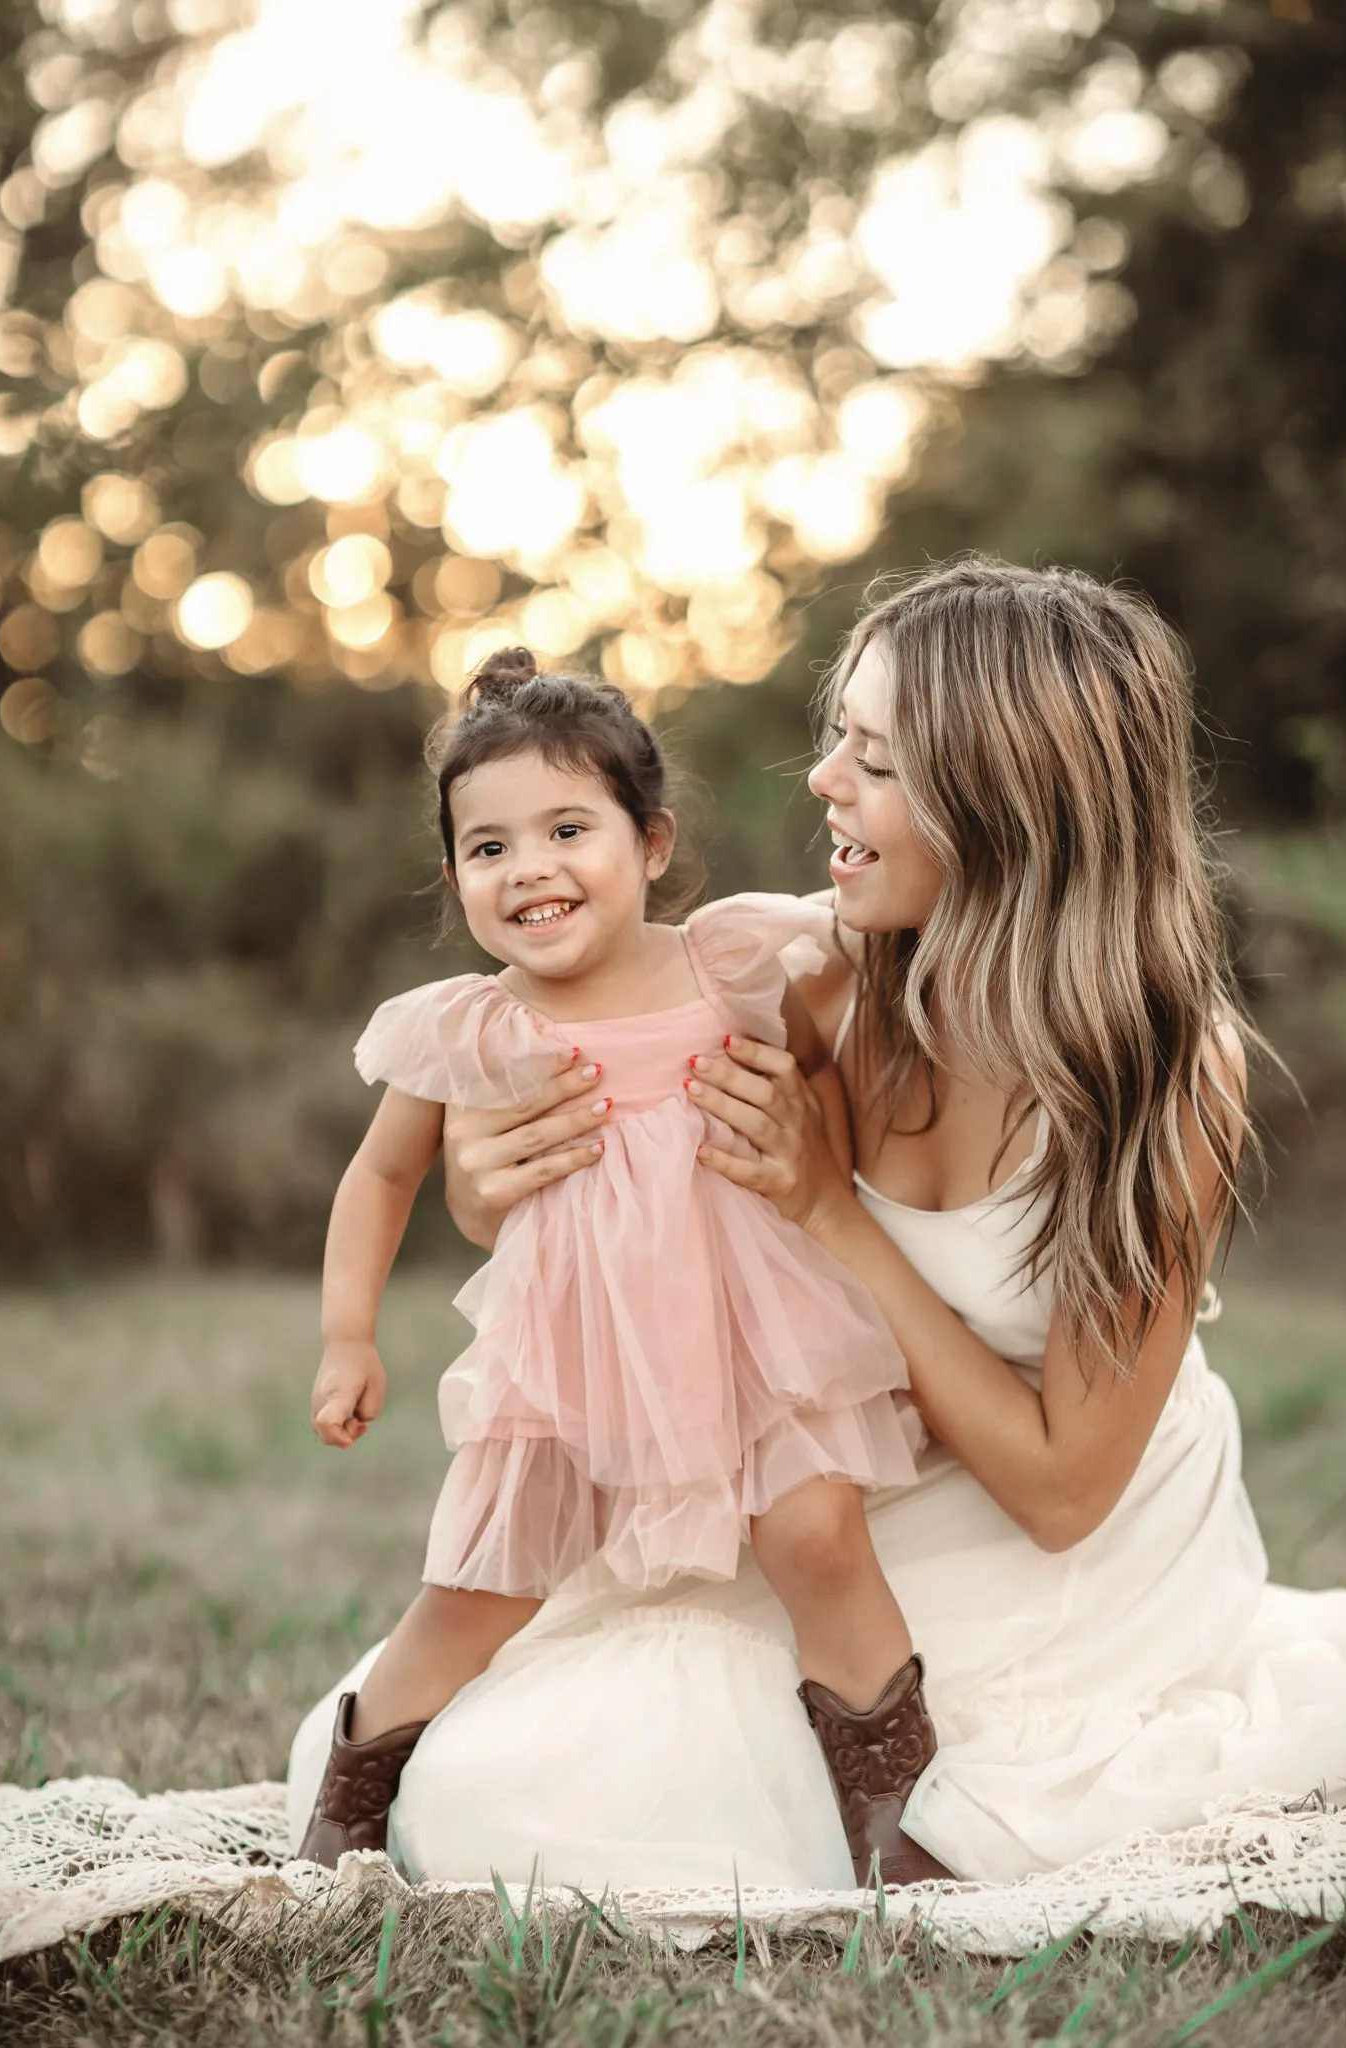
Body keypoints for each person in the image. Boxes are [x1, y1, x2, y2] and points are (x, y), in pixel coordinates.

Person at [289, 559, 1346, 1891]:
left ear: (1006, 801)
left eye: (875, 759)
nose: (821, 785)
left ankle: (895, 1826)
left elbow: (1062, 1491)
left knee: (585, 1792)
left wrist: (829, 1217)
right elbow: (617, 1152)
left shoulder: (1166, 1067)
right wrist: (481, 1176)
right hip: (876, 1468)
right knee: (491, 1767)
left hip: (1078, 1528)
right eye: (836, 742)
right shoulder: (815, 983)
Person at [295, 648, 935, 1882]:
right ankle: (353, 1796)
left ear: (652, 843)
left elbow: (818, 1095)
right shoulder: (473, 1025)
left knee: (818, 1535)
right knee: (477, 1586)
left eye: (567, 827)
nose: (528, 866)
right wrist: (346, 1333)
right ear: (455, 879)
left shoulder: (729, 963)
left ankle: (890, 1805)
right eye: (488, 848)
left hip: (758, 1331)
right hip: (571, 1356)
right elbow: (378, 1179)